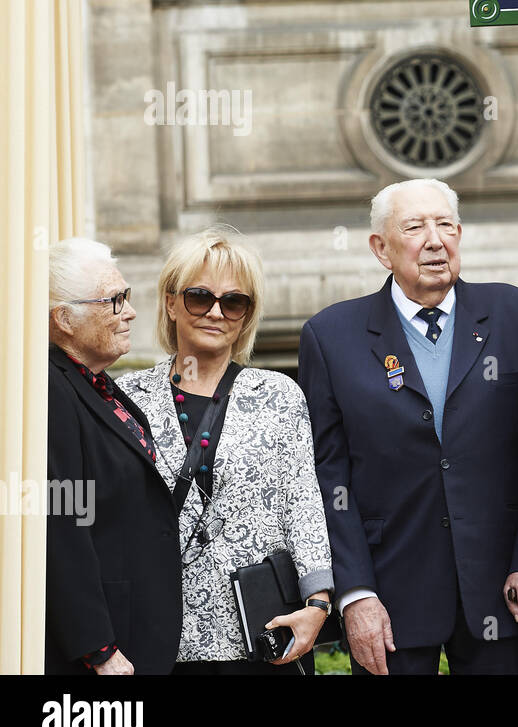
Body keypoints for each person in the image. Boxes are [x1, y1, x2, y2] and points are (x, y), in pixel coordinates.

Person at [300, 179, 518, 675]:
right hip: (389, 598)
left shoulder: (516, 314)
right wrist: (355, 593)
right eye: (415, 227)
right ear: (381, 248)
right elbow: (328, 477)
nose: (435, 240)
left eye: (445, 225)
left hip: (504, 592)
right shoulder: (331, 337)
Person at [118, 228, 332, 673]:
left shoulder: (279, 394)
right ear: (171, 302)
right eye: (200, 297)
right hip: (160, 635)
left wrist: (318, 604)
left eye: (234, 301)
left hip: (263, 632)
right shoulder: (127, 397)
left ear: (246, 315)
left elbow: (303, 505)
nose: (216, 311)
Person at [46, 238, 181, 674]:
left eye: (127, 296)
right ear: (64, 318)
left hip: (136, 631)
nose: (131, 311)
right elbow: (61, 523)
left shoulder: (95, 382)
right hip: (102, 651)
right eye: (114, 300)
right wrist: (98, 649)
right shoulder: (52, 389)